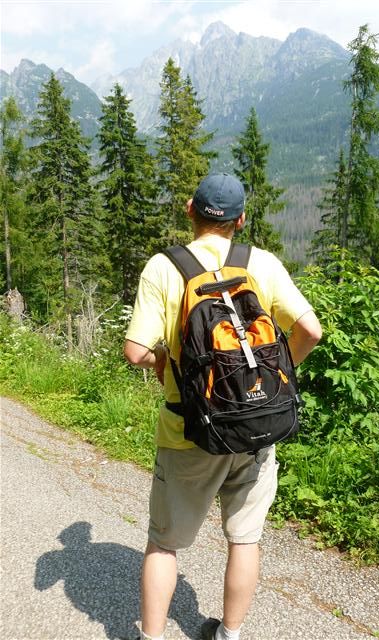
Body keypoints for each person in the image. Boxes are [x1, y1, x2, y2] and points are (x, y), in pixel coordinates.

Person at [124, 173, 322, 640]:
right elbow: (310, 331)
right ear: (241, 219)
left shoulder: (164, 267)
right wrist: (271, 378)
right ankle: (229, 635)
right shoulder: (262, 263)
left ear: (190, 210)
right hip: (255, 425)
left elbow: (135, 351)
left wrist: (165, 362)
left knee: (164, 544)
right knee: (244, 538)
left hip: (188, 430)